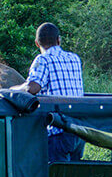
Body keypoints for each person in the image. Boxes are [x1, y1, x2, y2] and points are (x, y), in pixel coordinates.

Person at [13, 22, 85, 162]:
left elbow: (32, 88)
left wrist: (13, 90)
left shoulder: (43, 60)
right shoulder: (75, 58)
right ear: (59, 40)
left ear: (37, 43)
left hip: (57, 130)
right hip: (78, 131)